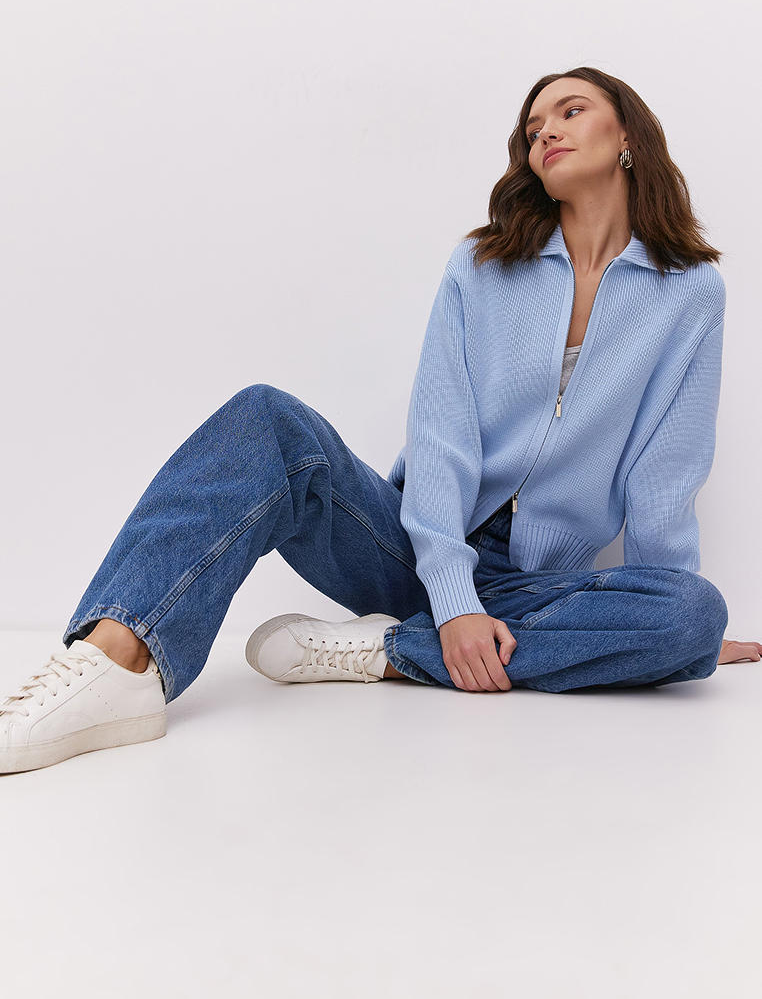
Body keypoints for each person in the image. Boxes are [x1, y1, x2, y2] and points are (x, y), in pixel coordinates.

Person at [2, 66, 758, 776]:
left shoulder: (690, 293)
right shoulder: (483, 268)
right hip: (412, 549)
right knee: (267, 419)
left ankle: (386, 651)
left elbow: (667, 470)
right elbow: (441, 437)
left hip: (538, 588)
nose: (547, 133)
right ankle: (114, 662)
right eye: (533, 129)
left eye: (571, 111)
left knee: (691, 613)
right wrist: (453, 597)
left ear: (627, 135)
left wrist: (676, 628)